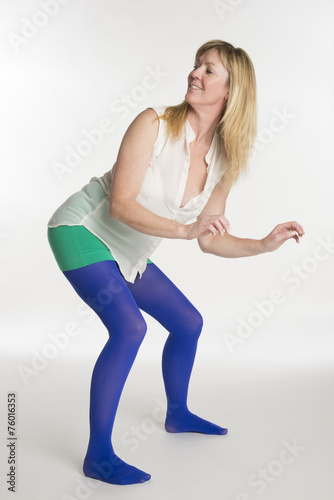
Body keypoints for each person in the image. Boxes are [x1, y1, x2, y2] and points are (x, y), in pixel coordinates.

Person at [47, 39, 304, 486]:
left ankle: (178, 414)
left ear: (231, 91)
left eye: (209, 71)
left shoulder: (224, 161)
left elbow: (209, 239)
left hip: (128, 252)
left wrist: (263, 244)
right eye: (197, 65)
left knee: (188, 322)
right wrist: (185, 230)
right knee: (130, 328)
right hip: (81, 231)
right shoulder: (154, 124)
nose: (196, 74)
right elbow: (120, 207)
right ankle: (98, 456)